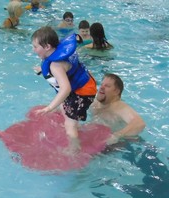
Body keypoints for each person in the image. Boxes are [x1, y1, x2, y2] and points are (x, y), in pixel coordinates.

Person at [31, 26, 97, 154]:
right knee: (64, 108)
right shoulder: (60, 50)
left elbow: (65, 89)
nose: (34, 50)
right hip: (84, 83)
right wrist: (42, 69)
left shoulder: (56, 66)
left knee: (69, 124)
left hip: (83, 92)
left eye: (35, 47)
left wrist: (49, 108)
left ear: (47, 47)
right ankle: (74, 125)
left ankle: (74, 151)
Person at [89, 73, 146, 144]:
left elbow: (139, 123)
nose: (101, 87)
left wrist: (117, 135)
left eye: (107, 86)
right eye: (102, 84)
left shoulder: (120, 107)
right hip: (98, 136)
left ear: (116, 91)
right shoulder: (95, 102)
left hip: (123, 142)